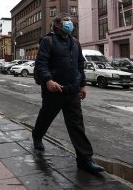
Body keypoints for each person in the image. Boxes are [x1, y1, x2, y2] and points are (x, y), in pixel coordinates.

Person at [32, 13, 105, 174]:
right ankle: (37, 136)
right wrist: (48, 80)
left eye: (70, 21)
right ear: (57, 25)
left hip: (72, 91)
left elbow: (80, 65)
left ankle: (85, 160)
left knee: (76, 125)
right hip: (54, 90)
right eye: (66, 21)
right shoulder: (48, 41)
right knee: (46, 117)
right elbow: (41, 64)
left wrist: (83, 85)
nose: (69, 24)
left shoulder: (75, 43)